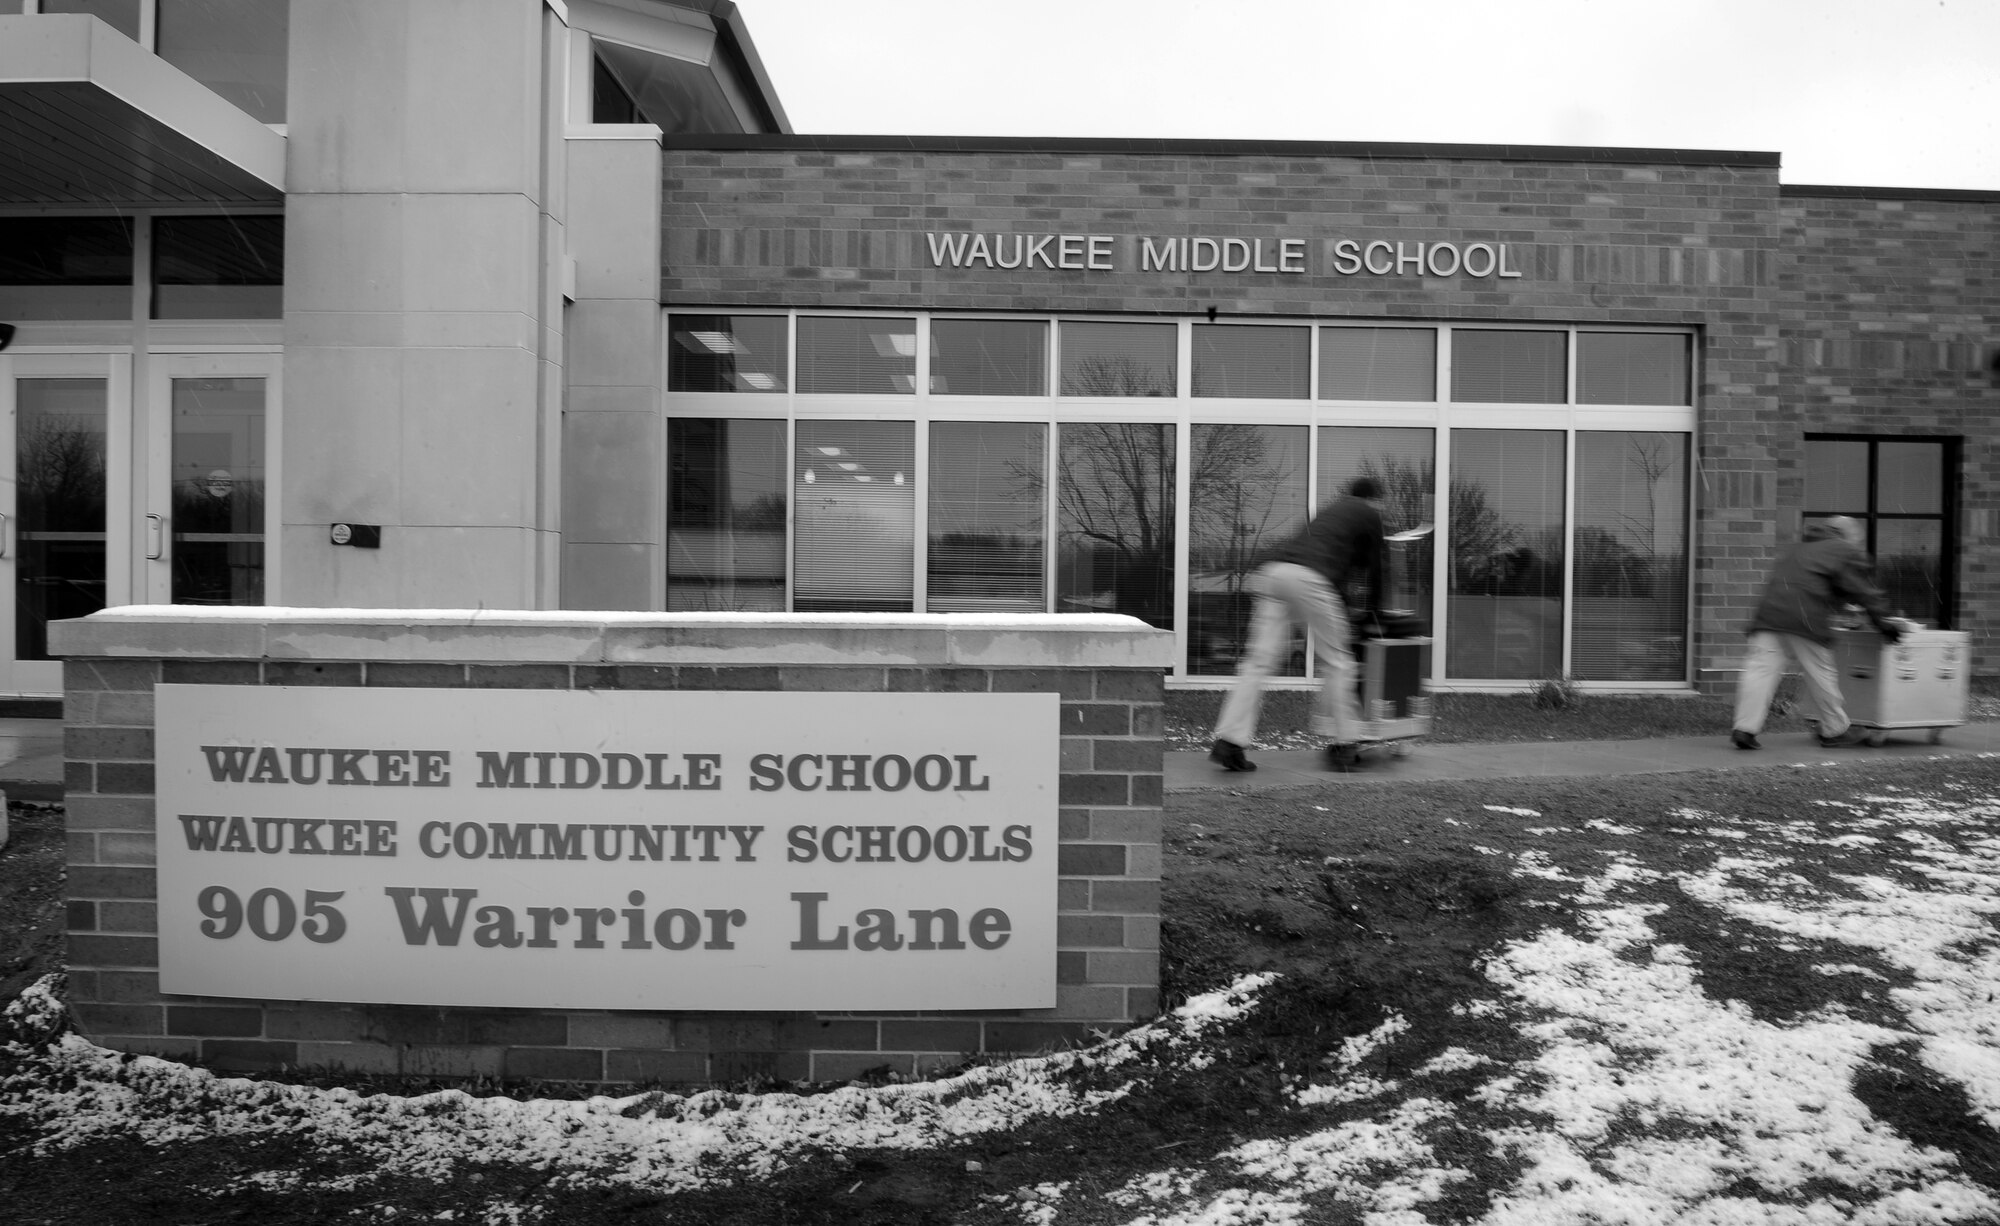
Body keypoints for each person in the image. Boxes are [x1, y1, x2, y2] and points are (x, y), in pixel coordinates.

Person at [1209, 476, 1386, 773]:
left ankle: (1229, 742)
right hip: (1309, 579)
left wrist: (1344, 606)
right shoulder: (1369, 513)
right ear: (1375, 499)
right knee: (1339, 663)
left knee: (1258, 663)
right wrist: (1374, 615)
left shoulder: (1333, 513)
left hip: (1273, 573)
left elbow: (1336, 569)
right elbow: (1378, 571)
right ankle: (1345, 745)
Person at [1730, 515, 1903, 750]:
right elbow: (1863, 591)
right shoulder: (1842, 549)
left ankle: (1744, 729)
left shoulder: (1799, 548)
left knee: (1759, 671)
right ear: (1846, 535)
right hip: (1805, 618)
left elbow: (1816, 582)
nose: (1857, 545)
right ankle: (1834, 729)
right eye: (1856, 540)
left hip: (1769, 615)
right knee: (1820, 672)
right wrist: (1884, 621)